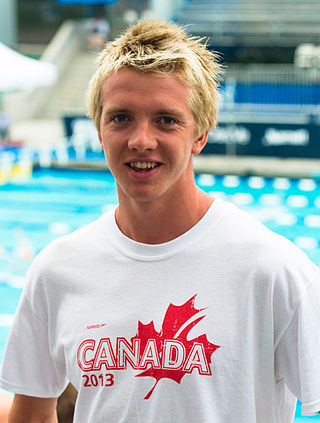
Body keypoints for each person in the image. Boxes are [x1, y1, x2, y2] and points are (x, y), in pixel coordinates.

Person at [0, 19, 320, 422]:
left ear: (200, 133)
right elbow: (29, 414)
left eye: (166, 120)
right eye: (121, 118)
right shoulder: (56, 270)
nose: (141, 140)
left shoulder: (275, 271)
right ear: (98, 130)